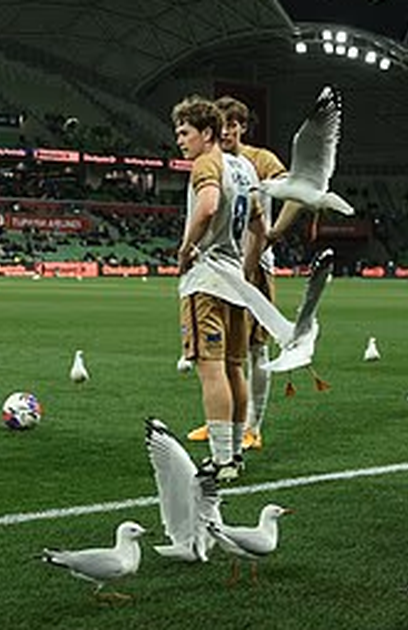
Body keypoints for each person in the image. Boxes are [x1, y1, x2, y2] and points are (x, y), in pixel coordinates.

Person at [185, 96, 301, 452]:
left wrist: (274, 234)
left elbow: (295, 192)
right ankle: (224, 427)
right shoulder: (225, 163)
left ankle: (252, 426)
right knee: (228, 357)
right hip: (232, 266)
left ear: (242, 127)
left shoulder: (259, 160)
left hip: (252, 266)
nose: (228, 130)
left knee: (250, 351)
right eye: (224, 124)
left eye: (234, 124)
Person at [171, 95, 265, 482]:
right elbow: (259, 228)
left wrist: (185, 249)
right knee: (234, 369)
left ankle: (222, 459)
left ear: (206, 132)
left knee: (211, 371)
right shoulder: (244, 167)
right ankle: (236, 452)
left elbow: (208, 205)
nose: (180, 140)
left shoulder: (206, 163)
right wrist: (245, 270)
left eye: (184, 132)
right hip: (235, 280)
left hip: (207, 279)